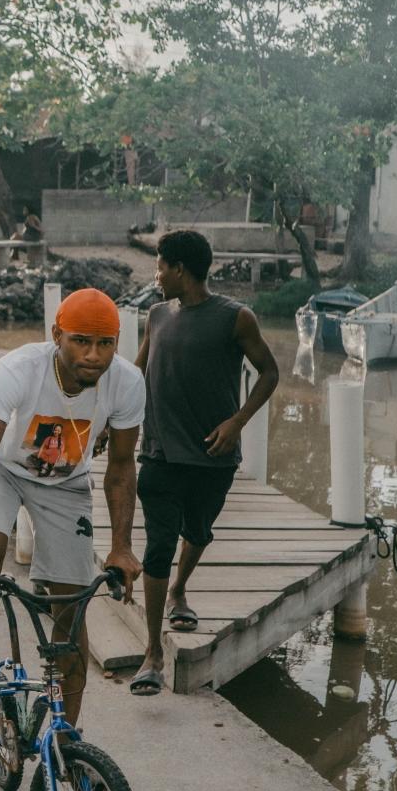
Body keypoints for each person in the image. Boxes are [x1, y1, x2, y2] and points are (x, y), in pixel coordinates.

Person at [0, 288, 145, 739]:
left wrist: (123, 547)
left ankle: (67, 738)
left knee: (72, 601)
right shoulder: (17, 369)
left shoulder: (127, 383)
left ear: (117, 342)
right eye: (80, 341)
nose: (94, 355)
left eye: (105, 343)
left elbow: (122, 466)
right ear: (57, 336)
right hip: (5, 471)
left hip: (67, 484)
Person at [129, 230, 279, 697]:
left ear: (179, 269)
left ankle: (179, 590)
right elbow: (134, 378)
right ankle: (153, 653)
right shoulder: (155, 316)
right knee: (156, 547)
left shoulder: (235, 318)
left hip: (212, 457)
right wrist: (105, 427)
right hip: (158, 454)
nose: (155, 276)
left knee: (197, 532)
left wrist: (237, 421)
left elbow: (270, 372)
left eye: (159, 266)